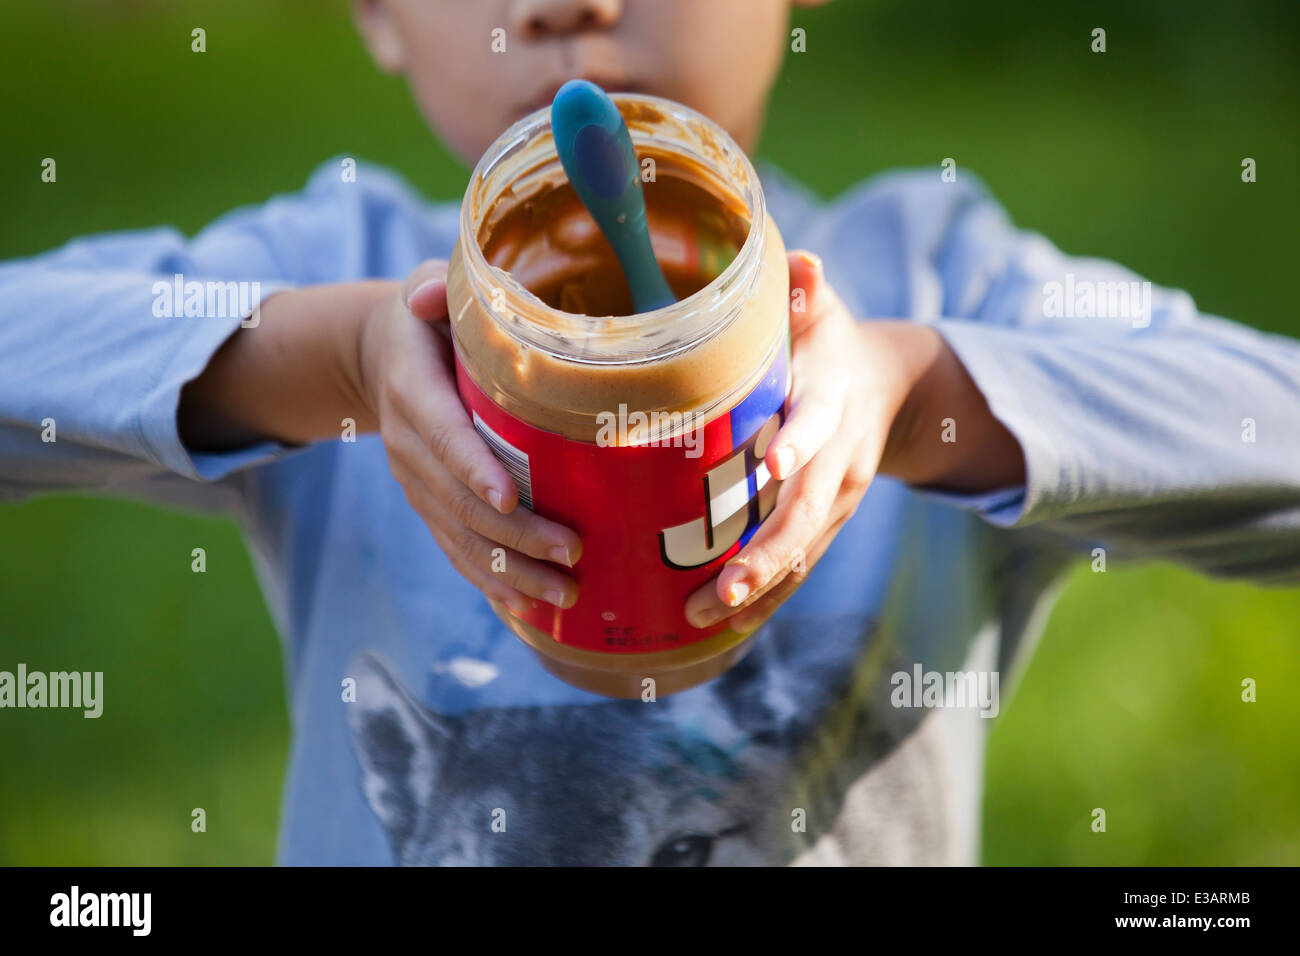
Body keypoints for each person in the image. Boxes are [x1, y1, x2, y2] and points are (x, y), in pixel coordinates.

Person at [2, 0, 1297, 865]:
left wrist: (922, 395)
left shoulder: (934, 280)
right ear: (377, 13)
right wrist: (312, 363)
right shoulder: (339, 276)